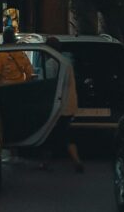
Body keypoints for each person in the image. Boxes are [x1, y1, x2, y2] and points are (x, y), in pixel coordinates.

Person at [41, 36, 84, 173]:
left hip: (55, 106)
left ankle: (47, 161)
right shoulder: (66, 62)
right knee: (65, 133)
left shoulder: (50, 64)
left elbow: (47, 85)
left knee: (49, 134)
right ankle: (75, 159)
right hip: (69, 105)